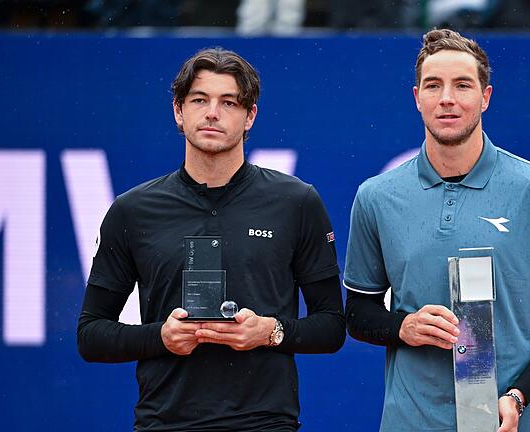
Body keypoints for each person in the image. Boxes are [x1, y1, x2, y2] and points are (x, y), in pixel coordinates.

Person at [77, 47, 345, 431]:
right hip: (164, 422)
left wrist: (271, 331)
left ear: (250, 116)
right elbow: (90, 334)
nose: (213, 113)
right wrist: (161, 337)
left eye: (229, 102)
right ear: (178, 111)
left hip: (264, 422)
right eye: (199, 100)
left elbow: (332, 325)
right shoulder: (132, 210)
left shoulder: (296, 202)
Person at [344, 29, 530, 432]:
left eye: (462, 85)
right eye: (433, 85)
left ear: (486, 97)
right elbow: (357, 313)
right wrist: (402, 327)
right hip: (411, 422)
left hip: (508, 423)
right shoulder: (376, 196)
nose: (447, 98)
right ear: (417, 98)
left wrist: (518, 395)